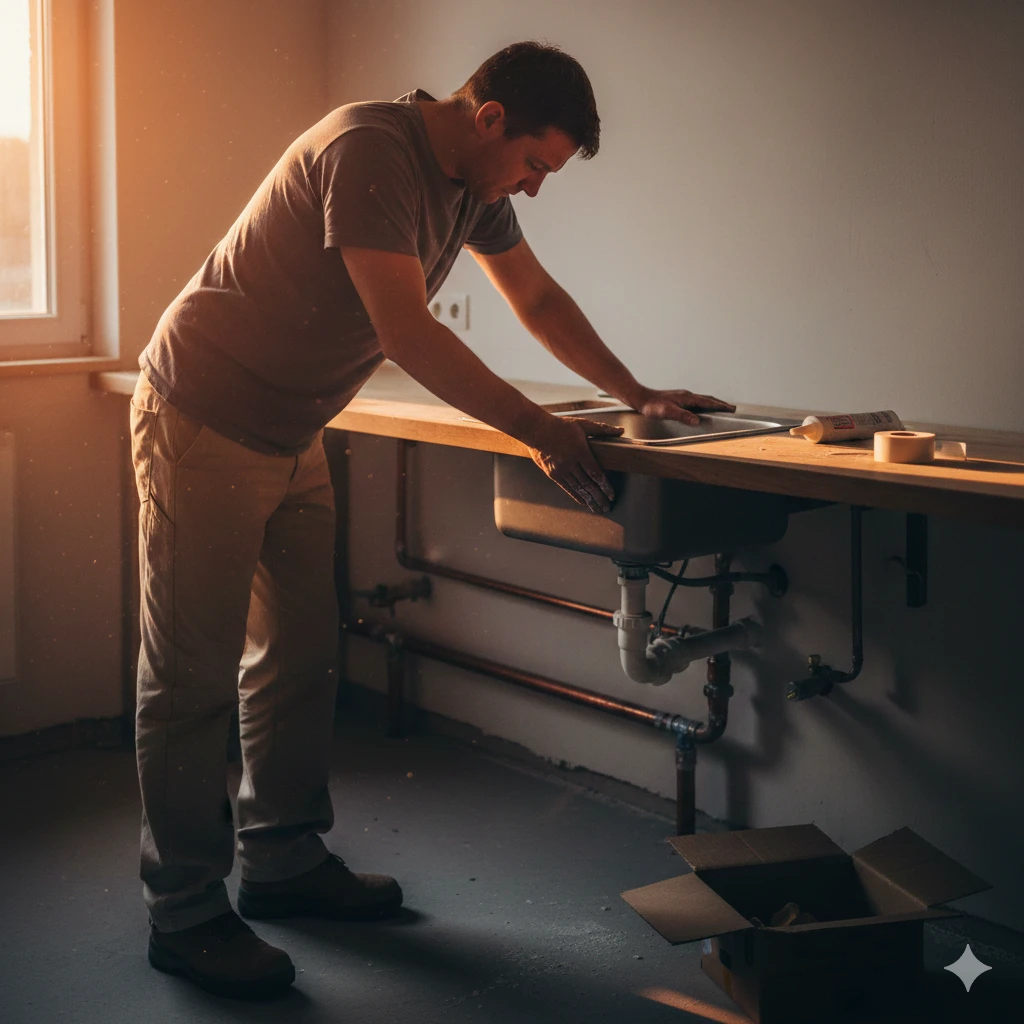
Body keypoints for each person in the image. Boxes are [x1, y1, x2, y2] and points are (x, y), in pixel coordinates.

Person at [130, 40, 734, 1000]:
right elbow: (406, 331)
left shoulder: (474, 186)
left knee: (297, 654)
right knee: (192, 676)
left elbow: (534, 296)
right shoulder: (369, 149)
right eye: (537, 163)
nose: (534, 189)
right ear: (489, 117)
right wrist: (539, 431)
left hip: (292, 427)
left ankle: (282, 862)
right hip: (203, 414)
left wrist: (637, 391)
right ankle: (187, 915)